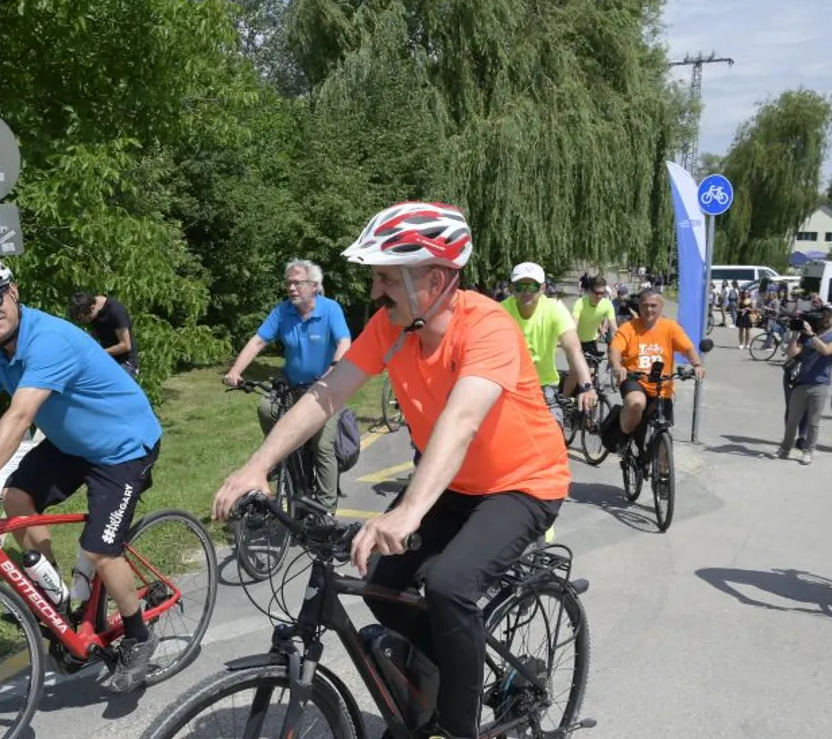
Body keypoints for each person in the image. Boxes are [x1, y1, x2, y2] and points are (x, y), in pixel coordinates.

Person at [211, 202, 569, 739]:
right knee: (380, 584)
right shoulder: (391, 327)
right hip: (452, 484)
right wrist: (257, 466)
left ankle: (456, 726)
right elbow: (326, 394)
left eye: (385, 277)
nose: (375, 291)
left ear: (436, 278)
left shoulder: (488, 326)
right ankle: (452, 669)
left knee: (449, 586)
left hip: (522, 484)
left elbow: (461, 421)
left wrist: (405, 513)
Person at [0, 253, 164, 693]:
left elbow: (19, 417)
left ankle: (139, 637)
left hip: (123, 447)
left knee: (100, 548)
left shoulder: (48, 340)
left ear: (13, 292)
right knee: (17, 499)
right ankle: (59, 601)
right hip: (71, 445)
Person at [222, 259, 352, 512]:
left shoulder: (330, 309)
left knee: (323, 446)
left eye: (297, 283)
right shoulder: (283, 311)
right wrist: (235, 371)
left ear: (314, 286)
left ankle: (325, 510)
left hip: (327, 388)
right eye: (289, 283)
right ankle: (290, 463)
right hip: (292, 385)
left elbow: (344, 342)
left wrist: (333, 370)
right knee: (266, 408)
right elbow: (258, 341)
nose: (292, 288)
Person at [499, 261, 597, 427]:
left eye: (532, 287)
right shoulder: (500, 311)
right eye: (520, 287)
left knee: (554, 431)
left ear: (543, 288)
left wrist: (587, 387)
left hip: (544, 385)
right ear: (512, 289)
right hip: (508, 385)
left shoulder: (554, 309)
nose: (526, 292)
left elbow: (573, 349)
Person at [606, 289, 706, 449]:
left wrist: (697, 364)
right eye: (645, 305)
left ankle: (663, 470)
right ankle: (623, 436)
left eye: (653, 305)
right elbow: (615, 349)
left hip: (662, 385)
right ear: (639, 306)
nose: (649, 310)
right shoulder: (629, 327)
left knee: (663, 441)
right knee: (636, 402)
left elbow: (688, 348)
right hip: (635, 379)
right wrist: (617, 366)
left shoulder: (670, 327)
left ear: (661, 306)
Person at [775, 308, 832, 464]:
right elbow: (792, 353)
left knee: (814, 421)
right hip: (801, 381)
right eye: (823, 317)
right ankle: (785, 448)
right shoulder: (806, 335)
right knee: (792, 419)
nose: (824, 320)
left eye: (827, 317)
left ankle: (808, 451)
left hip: (820, 383)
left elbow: (826, 350)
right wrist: (795, 333)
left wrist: (812, 335)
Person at [68, 291, 139, 377]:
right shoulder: (88, 306)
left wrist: (98, 353)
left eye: (83, 319)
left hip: (125, 362)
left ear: (92, 308)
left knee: (111, 388)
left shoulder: (115, 312)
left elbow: (125, 345)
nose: (83, 322)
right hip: (107, 358)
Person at [570, 275, 617, 356]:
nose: (599, 296)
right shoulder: (580, 303)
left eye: (602, 293)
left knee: (592, 368)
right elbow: (573, 326)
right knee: (579, 368)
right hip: (576, 341)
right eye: (596, 293)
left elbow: (614, 328)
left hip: (592, 341)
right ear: (589, 291)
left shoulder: (607, 304)